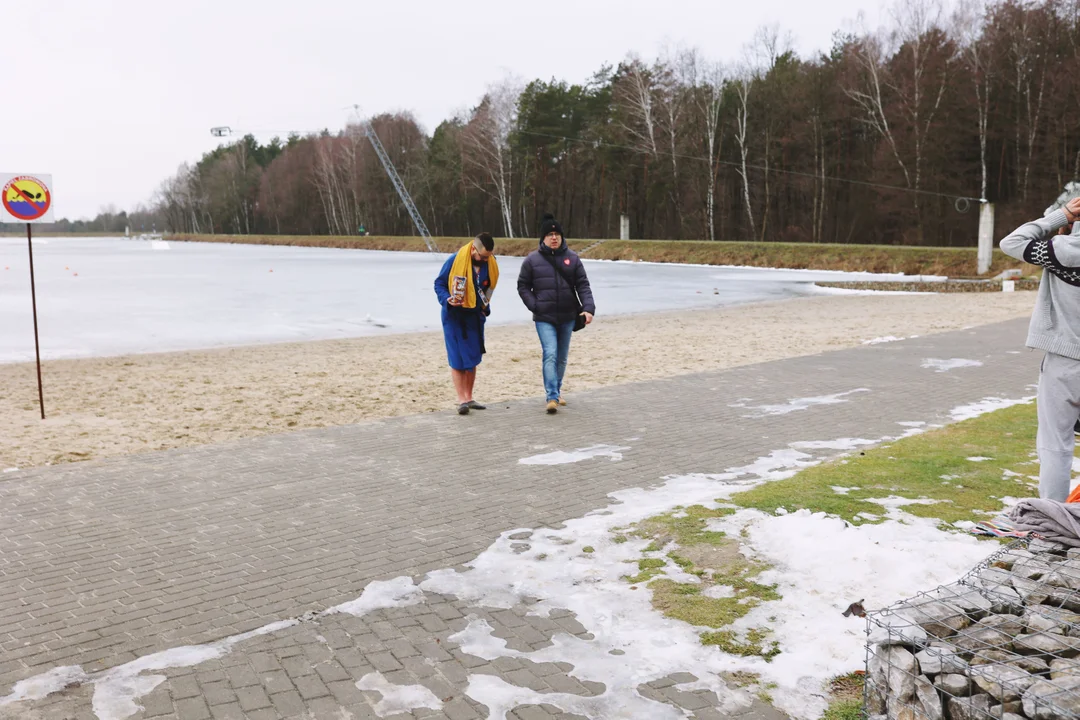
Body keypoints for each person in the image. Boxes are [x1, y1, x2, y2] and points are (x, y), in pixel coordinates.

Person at [1000, 195, 1080, 501]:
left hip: (1064, 360)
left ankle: (1054, 524)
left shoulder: (1060, 250)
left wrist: (1060, 217)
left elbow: (1012, 242)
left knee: (1055, 446)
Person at [517, 213, 595, 414]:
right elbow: (523, 286)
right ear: (543, 238)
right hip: (545, 318)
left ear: (562, 237)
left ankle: (557, 391)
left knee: (561, 358)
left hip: (568, 316)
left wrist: (588, 308)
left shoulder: (573, 258)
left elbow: (583, 285)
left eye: (557, 234)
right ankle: (551, 396)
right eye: (550, 234)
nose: (554, 237)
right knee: (550, 354)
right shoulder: (532, 260)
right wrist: (535, 305)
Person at [434, 233, 498, 415]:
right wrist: (447, 299)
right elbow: (439, 284)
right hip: (454, 316)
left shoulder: (490, 264)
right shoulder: (455, 260)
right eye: (483, 256)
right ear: (473, 249)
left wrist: (486, 307)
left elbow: (488, 288)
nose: (486, 260)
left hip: (475, 316)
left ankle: (469, 397)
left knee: (473, 357)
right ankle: (461, 399)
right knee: (457, 358)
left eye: (489, 257)